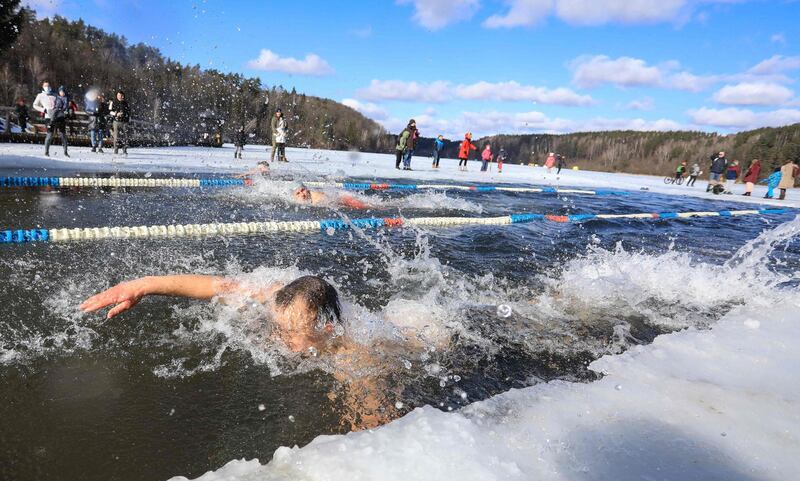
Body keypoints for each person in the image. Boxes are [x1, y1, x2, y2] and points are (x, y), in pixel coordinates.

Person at [81, 274, 341, 353]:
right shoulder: (277, 298)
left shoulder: (350, 355)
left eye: (293, 333)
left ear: (326, 329)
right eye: (281, 329)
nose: (280, 341)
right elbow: (221, 287)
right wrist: (140, 286)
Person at [293, 185, 368, 209]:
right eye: (298, 193)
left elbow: (332, 202)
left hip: (344, 199)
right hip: (340, 198)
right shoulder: (298, 200)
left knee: (366, 207)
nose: (302, 194)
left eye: (303, 190)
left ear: (306, 189)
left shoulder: (317, 196)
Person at [108, 90, 130, 155]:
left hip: (125, 122)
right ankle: (116, 150)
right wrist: (116, 114)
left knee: (125, 137)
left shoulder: (126, 103)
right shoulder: (113, 102)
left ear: (123, 96)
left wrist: (124, 114)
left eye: (120, 95)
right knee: (116, 137)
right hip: (116, 121)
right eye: (118, 95)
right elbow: (110, 111)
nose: (119, 97)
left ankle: (124, 149)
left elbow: (129, 112)